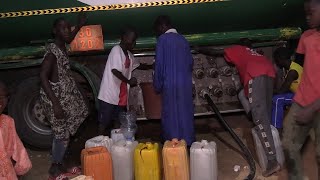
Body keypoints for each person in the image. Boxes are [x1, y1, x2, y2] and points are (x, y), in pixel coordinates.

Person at [197, 39, 280, 177]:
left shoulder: (239, 49)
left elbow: (217, 52)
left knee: (260, 120)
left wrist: (200, 48)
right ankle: (271, 147)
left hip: (256, 74)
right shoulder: (256, 54)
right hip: (269, 73)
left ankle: (272, 161)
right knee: (263, 114)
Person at [40, 14, 89, 180]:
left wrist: (79, 25)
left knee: (79, 113)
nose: (67, 31)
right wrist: (55, 105)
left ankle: (62, 158)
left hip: (64, 96)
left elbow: (69, 37)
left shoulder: (62, 44)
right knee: (61, 133)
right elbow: (42, 76)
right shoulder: (52, 53)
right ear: (55, 31)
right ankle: (56, 166)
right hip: (55, 99)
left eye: (68, 27)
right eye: (63, 28)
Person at [282, 0, 320, 179]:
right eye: (305, 13)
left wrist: (312, 109)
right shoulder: (306, 36)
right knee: (288, 144)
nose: (307, 18)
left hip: (317, 105)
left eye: (311, 13)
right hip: (302, 101)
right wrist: (287, 81)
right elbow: (298, 64)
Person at [98, 26, 153, 135]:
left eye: (134, 41)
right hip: (109, 96)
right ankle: (98, 144)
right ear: (123, 38)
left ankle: (116, 143)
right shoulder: (116, 50)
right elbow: (115, 71)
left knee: (118, 122)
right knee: (103, 123)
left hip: (121, 97)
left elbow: (138, 65)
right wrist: (128, 81)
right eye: (132, 40)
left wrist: (152, 66)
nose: (133, 43)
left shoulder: (129, 55)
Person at [153, 15, 195, 146]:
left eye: (157, 29)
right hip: (184, 85)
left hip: (170, 84)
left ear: (162, 26)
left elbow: (159, 65)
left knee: (171, 114)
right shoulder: (183, 40)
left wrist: (157, 84)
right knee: (185, 112)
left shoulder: (162, 40)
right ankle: (187, 143)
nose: (158, 32)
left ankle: (173, 144)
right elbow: (190, 63)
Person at [0, 81, 32, 180]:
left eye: (3, 97)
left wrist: (18, 168)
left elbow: (18, 152)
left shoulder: (8, 122)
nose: (0, 101)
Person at [271, 47, 303, 129]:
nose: (276, 63)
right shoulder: (291, 67)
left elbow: (282, 91)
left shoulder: (292, 71)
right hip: (297, 94)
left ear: (281, 59)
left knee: (277, 99)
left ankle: (275, 129)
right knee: (277, 98)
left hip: (303, 97)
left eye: (277, 61)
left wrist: (268, 91)